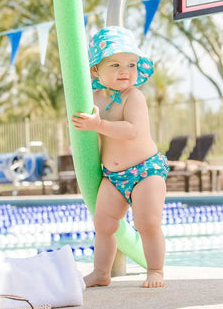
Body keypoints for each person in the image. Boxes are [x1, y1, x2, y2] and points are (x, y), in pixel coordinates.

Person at [71, 26, 169, 288]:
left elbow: (132, 131)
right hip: (113, 176)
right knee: (103, 224)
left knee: (147, 223)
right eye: (115, 64)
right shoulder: (93, 100)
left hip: (145, 171)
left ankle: (156, 270)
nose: (125, 71)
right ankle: (101, 272)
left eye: (131, 64)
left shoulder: (133, 97)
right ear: (95, 70)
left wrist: (98, 125)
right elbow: (87, 131)